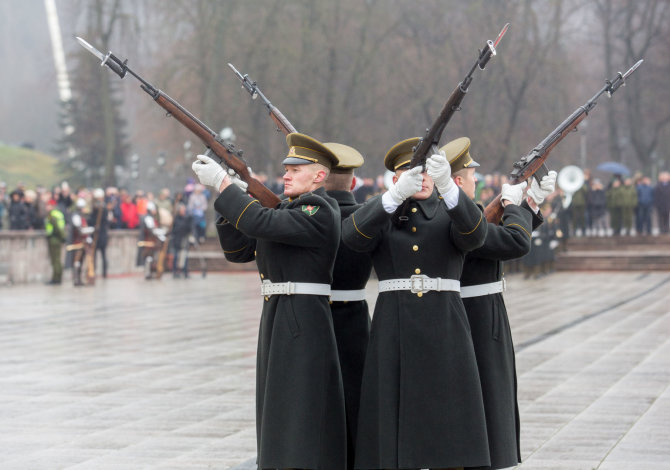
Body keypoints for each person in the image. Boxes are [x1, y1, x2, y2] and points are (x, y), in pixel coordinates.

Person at [192, 132, 347, 470]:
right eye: (285, 168)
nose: (286, 174)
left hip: (304, 319)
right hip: (278, 315)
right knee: (276, 402)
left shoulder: (319, 209)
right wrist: (234, 194)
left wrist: (225, 186)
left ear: (319, 176)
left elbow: (259, 220)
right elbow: (238, 250)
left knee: (301, 402)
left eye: (296, 169)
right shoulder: (287, 210)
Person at [341, 137, 489, 470]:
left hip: (445, 324)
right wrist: (391, 198)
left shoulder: (452, 210)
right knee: (394, 424)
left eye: (425, 172)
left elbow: (476, 235)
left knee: (448, 418)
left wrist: (449, 186)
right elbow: (351, 237)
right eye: (409, 173)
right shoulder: (383, 214)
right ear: (396, 179)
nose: (420, 178)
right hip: (395, 326)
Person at [444, 137, 554, 470]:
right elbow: (510, 243)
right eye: (470, 174)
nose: (477, 179)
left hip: (487, 312)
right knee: (488, 399)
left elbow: (499, 237)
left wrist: (530, 204)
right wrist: (518, 207)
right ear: (457, 181)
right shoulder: (456, 221)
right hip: (474, 318)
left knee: (497, 398)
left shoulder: (470, 216)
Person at [323, 142, 373, 470]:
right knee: (357, 401)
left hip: (317, 318)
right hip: (356, 319)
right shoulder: (367, 218)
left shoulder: (304, 216)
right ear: (354, 183)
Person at [87, 188, 110, 278]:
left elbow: (105, 221)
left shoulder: (103, 209)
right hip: (96, 234)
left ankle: (104, 273)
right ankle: (94, 271)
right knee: (94, 255)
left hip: (102, 234)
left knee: (103, 255)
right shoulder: (95, 207)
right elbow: (92, 220)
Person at [169, 202, 193, 278]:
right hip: (176, 240)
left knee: (184, 256)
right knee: (176, 256)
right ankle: (175, 272)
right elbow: (174, 230)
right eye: (182, 210)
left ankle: (185, 272)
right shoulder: (175, 219)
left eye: (184, 210)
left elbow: (189, 228)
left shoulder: (187, 218)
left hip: (184, 240)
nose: (184, 211)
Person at [44, 199, 66, 285]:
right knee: (57, 260)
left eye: (48, 205)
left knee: (55, 260)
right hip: (58, 239)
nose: (46, 207)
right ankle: (57, 278)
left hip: (54, 239)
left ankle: (56, 278)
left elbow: (57, 228)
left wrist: (63, 237)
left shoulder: (52, 215)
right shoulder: (58, 213)